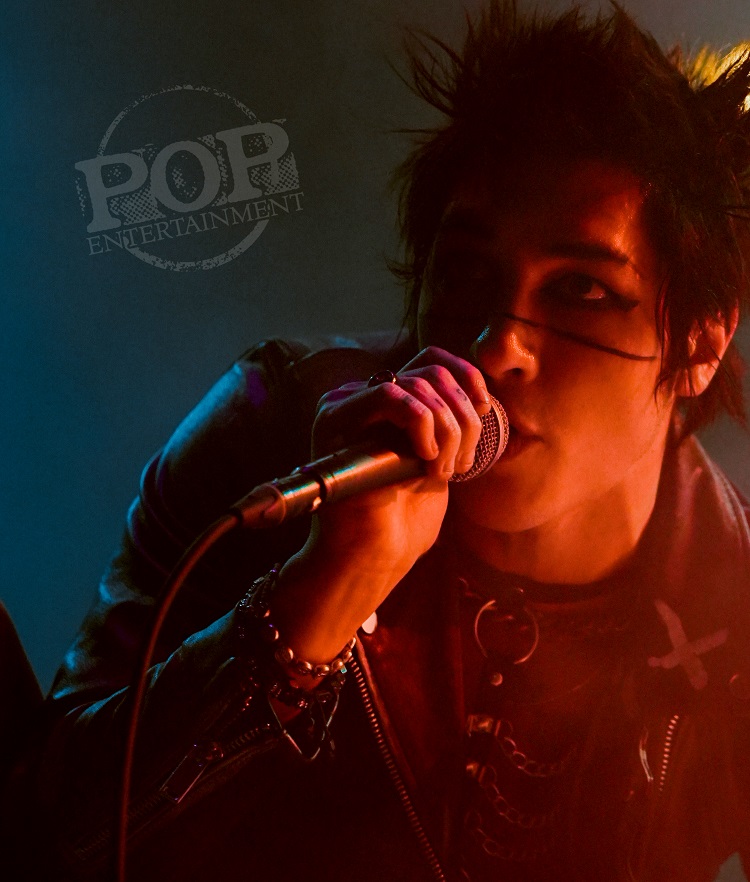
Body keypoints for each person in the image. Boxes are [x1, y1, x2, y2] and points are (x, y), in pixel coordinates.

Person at [8, 2, 750, 880]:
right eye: (467, 272)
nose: (497, 346)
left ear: (700, 342)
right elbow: (41, 838)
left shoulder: (731, 612)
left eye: (582, 290)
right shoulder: (272, 431)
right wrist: (317, 596)